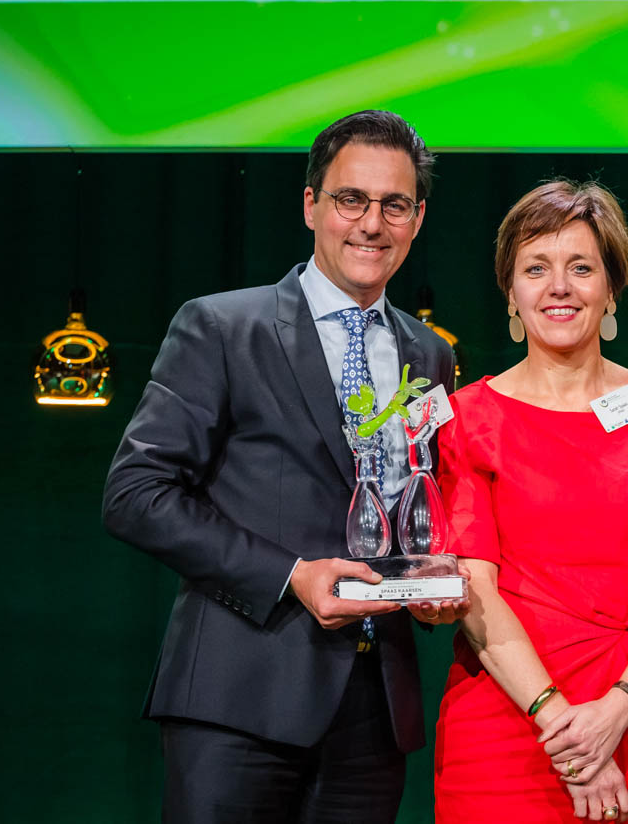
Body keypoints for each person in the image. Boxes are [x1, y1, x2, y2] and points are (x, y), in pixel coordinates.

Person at [102, 110, 464, 823]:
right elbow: (135, 493)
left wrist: (430, 583)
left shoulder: (431, 354)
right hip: (238, 697)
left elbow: (415, 501)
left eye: (394, 204)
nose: (371, 224)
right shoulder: (221, 326)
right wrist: (291, 574)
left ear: (418, 219)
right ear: (310, 205)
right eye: (350, 199)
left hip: (374, 711)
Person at [432, 180, 628, 823]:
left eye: (581, 268)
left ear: (611, 288)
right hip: (506, 728)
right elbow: (474, 590)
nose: (559, 287)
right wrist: (567, 731)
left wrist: (619, 708)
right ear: (511, 292)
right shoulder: (467, 418)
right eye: (536, 269)